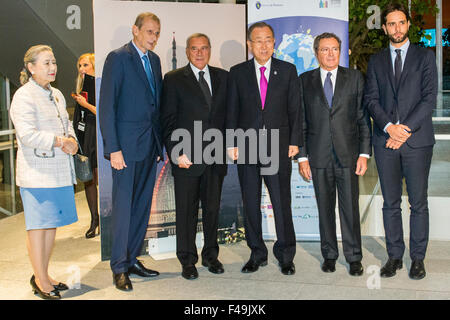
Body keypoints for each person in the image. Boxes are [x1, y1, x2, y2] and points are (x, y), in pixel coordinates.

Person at [364, 2, 438, 280]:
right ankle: (394, 256)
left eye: (401, 22)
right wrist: (388, 127)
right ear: (384, 28)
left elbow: (429, 98)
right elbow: (371, 99)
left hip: (417, 142)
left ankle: (417, 258)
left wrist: (403, 129)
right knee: (390, 202)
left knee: (418, 203)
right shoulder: (376, 60)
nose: (396, 28)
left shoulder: (425, 56)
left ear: (408, 25)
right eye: (391, 24)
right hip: (385, 142)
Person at [226, 22, 301, 275]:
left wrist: (295, 141)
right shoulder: (237, 72)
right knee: (250, 202)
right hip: (247, 147)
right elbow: (232, 110)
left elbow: (295, 109)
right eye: (258, 40)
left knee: (281, 203)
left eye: (268, 39)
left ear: (274, 42)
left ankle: (286, 254)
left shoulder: (288, 70)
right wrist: (231, 143)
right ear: (249, 45)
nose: (263, 45)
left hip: (279, 148)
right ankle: (257, 253)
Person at [99, 12, 164, 291]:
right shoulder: (118, 57)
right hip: (125, 149)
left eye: (157, 33)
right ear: (135, 30)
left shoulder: (156, 60)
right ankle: (119, 267)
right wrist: (113, 149)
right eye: (149, 32)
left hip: (150, 146)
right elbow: (107, 107)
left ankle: (132, 258)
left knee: (141, 208)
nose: (153, 37)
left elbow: (155, 106)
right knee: (124, 208)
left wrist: (159, 144)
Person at [297, 33, 372, 276]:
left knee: (350, 208)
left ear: (341, 51)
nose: (331, 54)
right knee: (325, 208)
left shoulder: (355, 78)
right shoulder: (304, 81)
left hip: (348, 155)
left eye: (335, 49)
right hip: (317, 156)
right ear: (316, 52)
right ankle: (329, 254)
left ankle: (354, 257)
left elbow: (362, 118)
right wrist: (303, 157)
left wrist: (364, 153)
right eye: (325, 49)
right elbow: (302, 122)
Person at [10, 45, 79, 299]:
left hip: (58, 171)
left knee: (50, 226)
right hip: (36, 173)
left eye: (54, 62)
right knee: (38, 227)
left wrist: (71, 138)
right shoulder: (24, 96)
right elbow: (26, 135)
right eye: (46, 63)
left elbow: (66, 122)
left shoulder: (57, 94)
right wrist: (60, 141)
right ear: (31, 67)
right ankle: (40, 280)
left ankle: (44, 273)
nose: (52, 68)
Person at [160, 33, 228, 280]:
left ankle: (211, 256)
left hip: (216, 157)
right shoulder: (174, 79)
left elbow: (228, 117)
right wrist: (175, 151)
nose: (199, 53)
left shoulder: (223, 77)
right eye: (194, 49)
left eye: (204, 48)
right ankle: (187, 260)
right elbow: (167, 120)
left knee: (212, 210)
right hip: (187, 158)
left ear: (210, 50)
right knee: (186, 212)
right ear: (187, 52)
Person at [72, 53, 99, 239]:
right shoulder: (80, 87)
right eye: (80, 65)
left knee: (102, 179)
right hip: (85, 137)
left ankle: (107, 219)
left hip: (100, 135)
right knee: (88, 180)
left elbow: (104, 113)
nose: (82, 69)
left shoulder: (100, 86)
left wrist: (86, 105)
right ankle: (94, 220)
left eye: (86, 65)